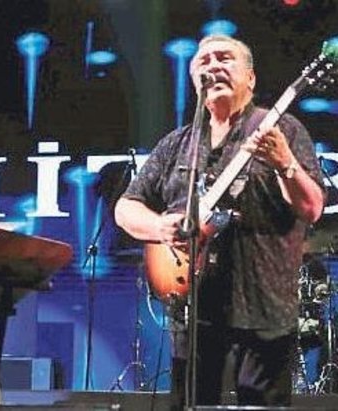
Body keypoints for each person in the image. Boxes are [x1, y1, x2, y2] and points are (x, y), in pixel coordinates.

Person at [114, 35, 325, 408]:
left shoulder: (284, 129)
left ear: (251, 78)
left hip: (264, 309)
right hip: (193, 313)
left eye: (224, 58)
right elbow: (126, 207)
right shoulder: (177, 144)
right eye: (204, 61)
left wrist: (285, 164)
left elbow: (312, 208)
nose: (213, 66)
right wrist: (161, 226)